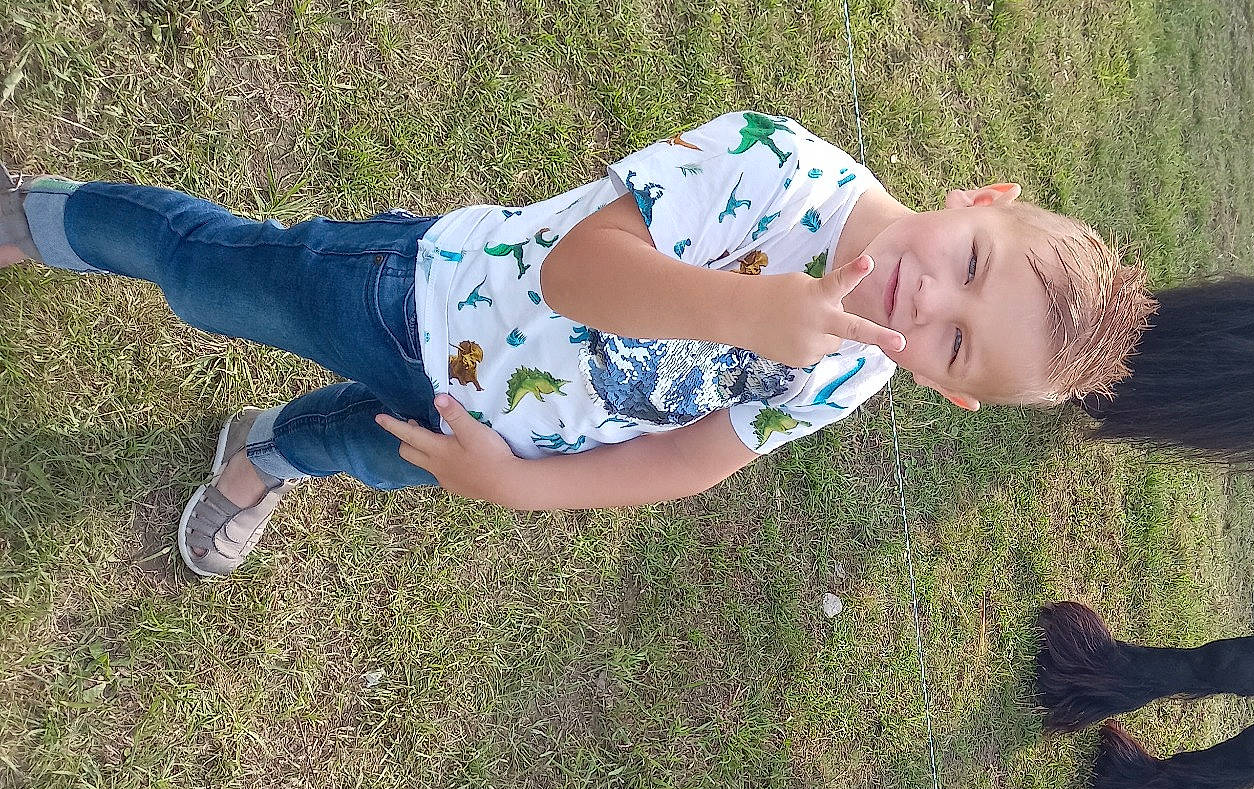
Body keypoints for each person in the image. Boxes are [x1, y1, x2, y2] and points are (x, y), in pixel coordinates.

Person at [1, 110, 1152, 576]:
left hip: (500, 427)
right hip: (410, 293)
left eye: (950, 348)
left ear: (951, 396)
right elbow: (576, 271)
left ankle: (257, 457)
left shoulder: (851, 372)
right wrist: (753, 311)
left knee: (354, 448)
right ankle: (36, 216)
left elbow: (694, 458)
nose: (923, 305)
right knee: (210, 275)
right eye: (970, 263)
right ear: (979, 195)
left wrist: (516, 487)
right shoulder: (775, 163)